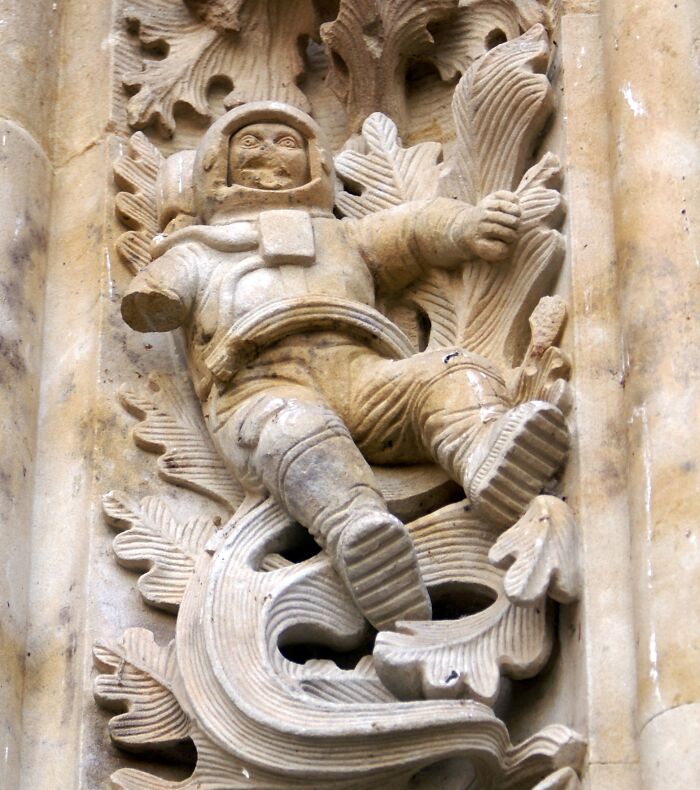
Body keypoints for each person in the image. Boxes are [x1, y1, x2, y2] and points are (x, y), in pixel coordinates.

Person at [121, 102, 568, 631]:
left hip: (362, 372)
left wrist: (466, 226)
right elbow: (158, 291)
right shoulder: (199, 248)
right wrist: (157, 294)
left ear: (317, 162)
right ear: (216, 164)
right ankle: (361, 537)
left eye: (288, 142)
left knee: (450, 372)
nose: (270, 152)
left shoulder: (342, 236)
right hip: (259, 386)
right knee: (295, 433)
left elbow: (412, 230)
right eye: (252, 142)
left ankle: (485, 451)